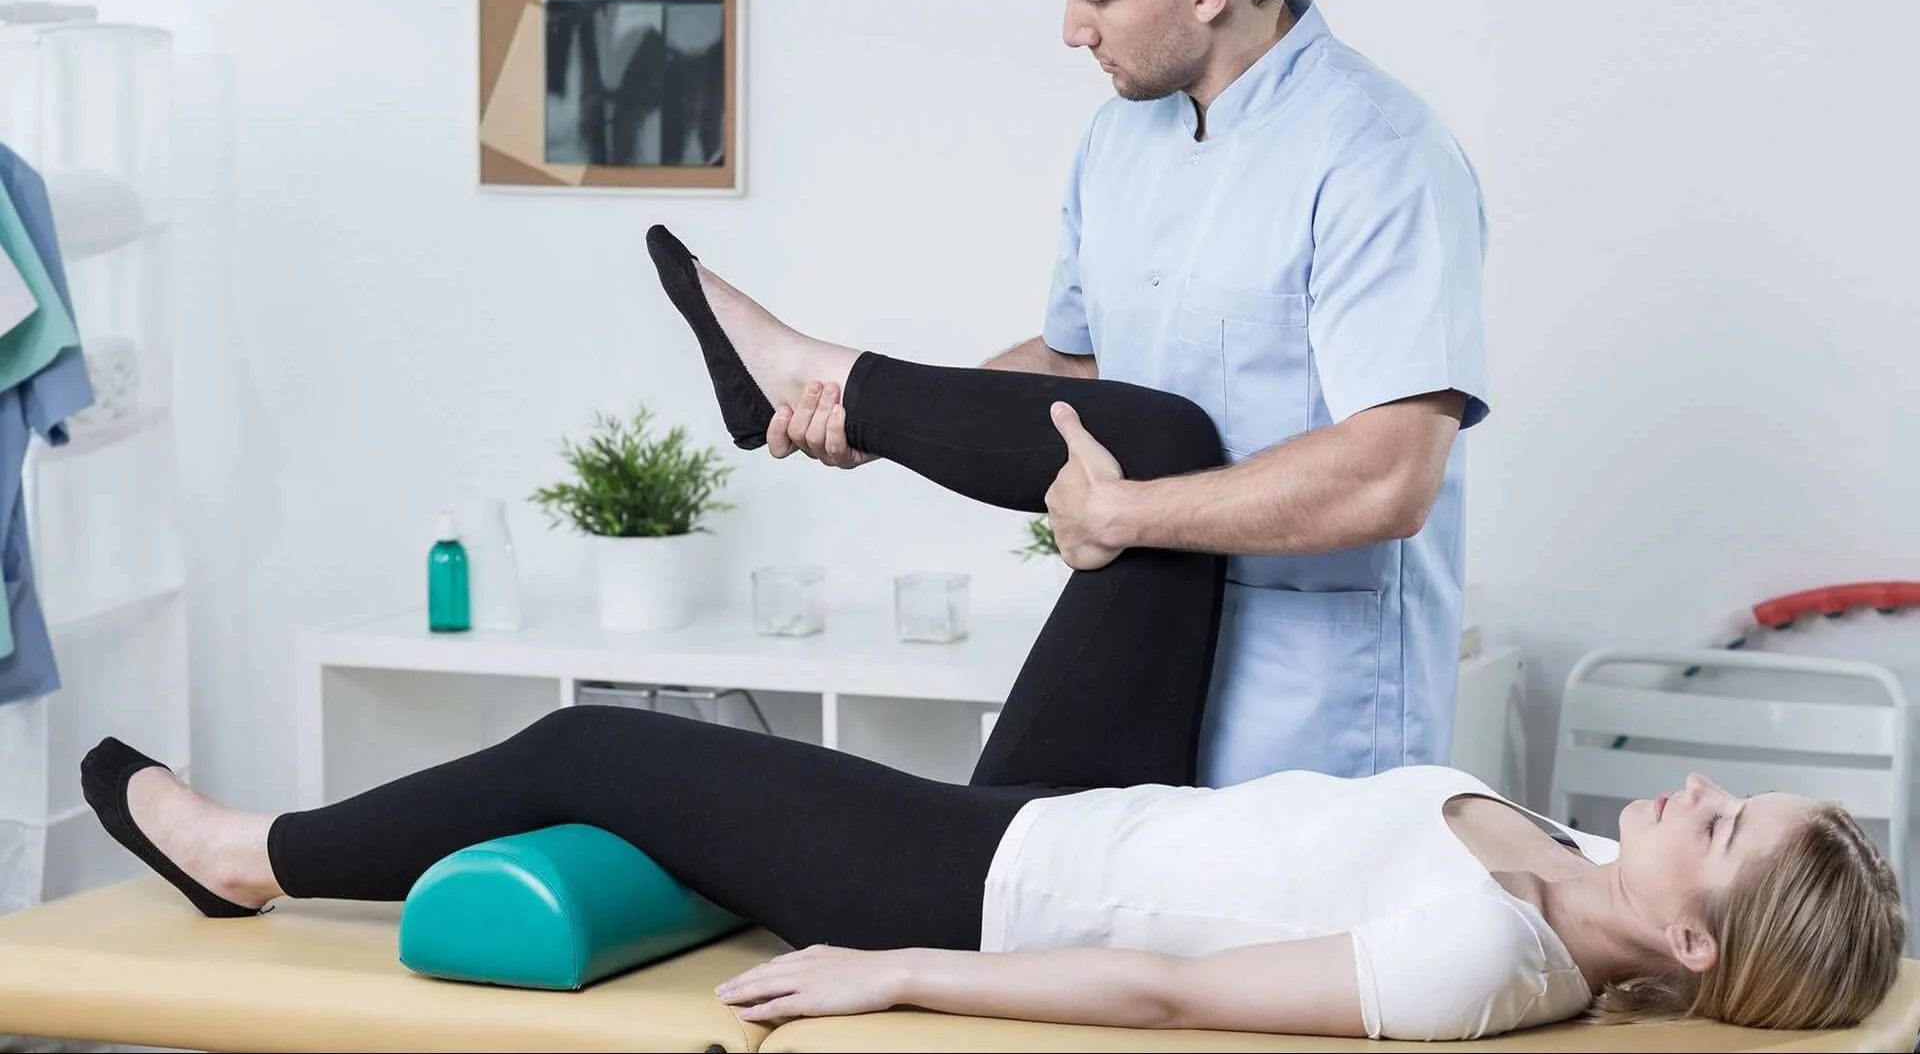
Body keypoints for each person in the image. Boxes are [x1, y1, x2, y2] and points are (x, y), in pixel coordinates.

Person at [81, 228, 1902, 1041]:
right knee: (1169, 450)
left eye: (1728, 829)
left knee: (594, 750)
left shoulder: (1471, 964)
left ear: (1682, 928)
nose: (1709, 791)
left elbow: (1170, 991)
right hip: (1102, 805)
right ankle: (820, 382)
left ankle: (258, 857)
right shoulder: (1587, 872)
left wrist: (900, 969)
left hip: (998, 882)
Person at [762, 0, 1493, 789]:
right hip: (1141, 636)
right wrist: (881, 416)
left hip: (1314, 698)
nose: (1073, 30)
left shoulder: (1380, 154)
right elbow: (1080, 365)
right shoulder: (1118, 140)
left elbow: (1390, 472)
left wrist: (1125, 516)